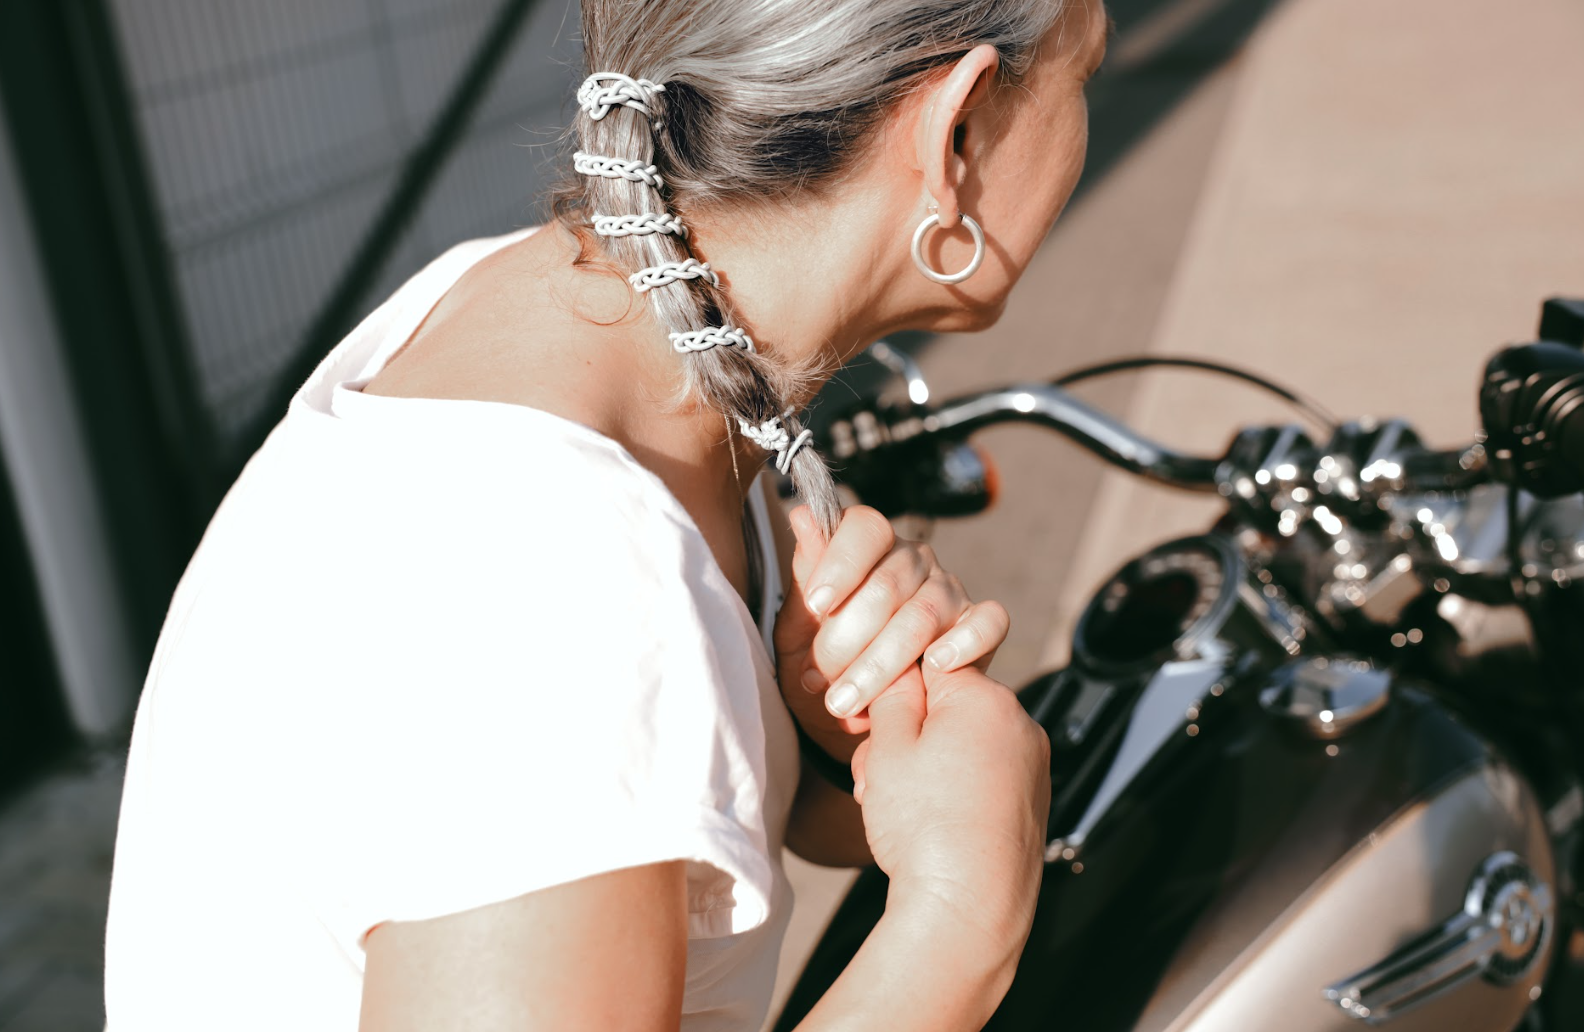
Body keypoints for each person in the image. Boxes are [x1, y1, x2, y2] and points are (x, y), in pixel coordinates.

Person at [102, 0, 1108, 1028]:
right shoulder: (562, 587)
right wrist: (963, 913)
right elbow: (573, 711)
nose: (1086, 126)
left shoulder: (586, 320)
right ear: (959, 130)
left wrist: (841, 754)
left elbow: (633, 797)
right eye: (1087, 77)